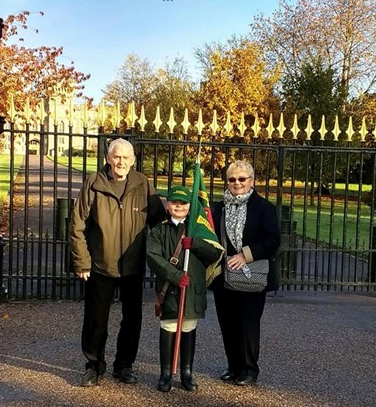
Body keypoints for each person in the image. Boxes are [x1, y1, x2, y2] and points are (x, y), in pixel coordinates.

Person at [69, 138, 166, 387]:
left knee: (132, 319)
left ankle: (124, 365)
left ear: (133, 160)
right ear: (108, 158)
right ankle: (94, 365)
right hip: (100, 265)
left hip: (132, 265)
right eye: (116, 156)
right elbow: (77, 225)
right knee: (96, 319)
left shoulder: (142, 183)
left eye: (125, 157)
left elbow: (159, 222)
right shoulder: (94, 183)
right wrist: (82, 261)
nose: (120, 161)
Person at [209, 160, 280, 386]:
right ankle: (233, 365)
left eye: (242, 179)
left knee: (247, 322)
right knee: (227, 322)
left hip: (251, 273)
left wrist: (245, 255)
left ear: (251, 181)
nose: (237, 183)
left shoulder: (263, 208)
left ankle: (249, 369)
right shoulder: (217, 208)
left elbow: (272, 239)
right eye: (232, 179)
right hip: (224, 274)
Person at [146, 186, 222, 392]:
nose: (178, 206)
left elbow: (214, 254)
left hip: (192, 290)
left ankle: (186, 373)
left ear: (190, 206)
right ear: (168, 205)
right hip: (171, 287)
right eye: (174, 202)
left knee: (188, 328)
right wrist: (176, 275)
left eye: (183, 203)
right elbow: (153, 257)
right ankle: (165, 373)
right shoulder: (159, 230)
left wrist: (196, 244)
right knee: (169, 327)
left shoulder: (198, 229)